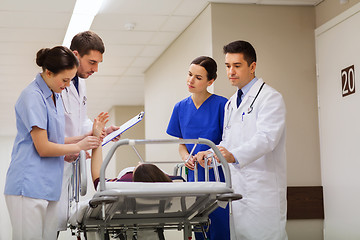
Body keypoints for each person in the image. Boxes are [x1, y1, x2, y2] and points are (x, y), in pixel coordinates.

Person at [4, 46, 102, 240]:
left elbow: (56, 140)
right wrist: (80, 146)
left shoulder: (54, 95)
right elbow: (43, 147)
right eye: (64, 80)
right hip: (28, 185)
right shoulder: (32, 96)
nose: (66, 85)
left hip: (49, 186)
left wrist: (89, 136)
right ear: (48, 72)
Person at [197, 40, 287, 240]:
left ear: (252, 66)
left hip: (261, 191)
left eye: (237, 66)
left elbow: (267, 138)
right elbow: (228, 142)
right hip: (238, 193)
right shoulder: (230, 103)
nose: (231, 72)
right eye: (228, 66)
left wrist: (233, 155)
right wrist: (210, 154)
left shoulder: (270, 98)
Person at [58, 31, 120, 233]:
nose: (96, 69)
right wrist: (72, 145)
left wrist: (103, 132)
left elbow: (79, 121)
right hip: (55, 161)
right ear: (76, 55)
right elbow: (52, 129)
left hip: (69, 164)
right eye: (92, 62)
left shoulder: (80, 83)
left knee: (56, 227)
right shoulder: (57, 85)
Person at [166, 56, 230, 240]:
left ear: (211, 81)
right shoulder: (180, 108)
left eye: (198, 77)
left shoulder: (222, 105)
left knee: (220, 227)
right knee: (198, 226)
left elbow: (229, 141)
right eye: (189, 74)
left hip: (218, 177)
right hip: (193, 177)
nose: (191, 80)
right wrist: (186, 157)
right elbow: (182, 144)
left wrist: (209, 153)